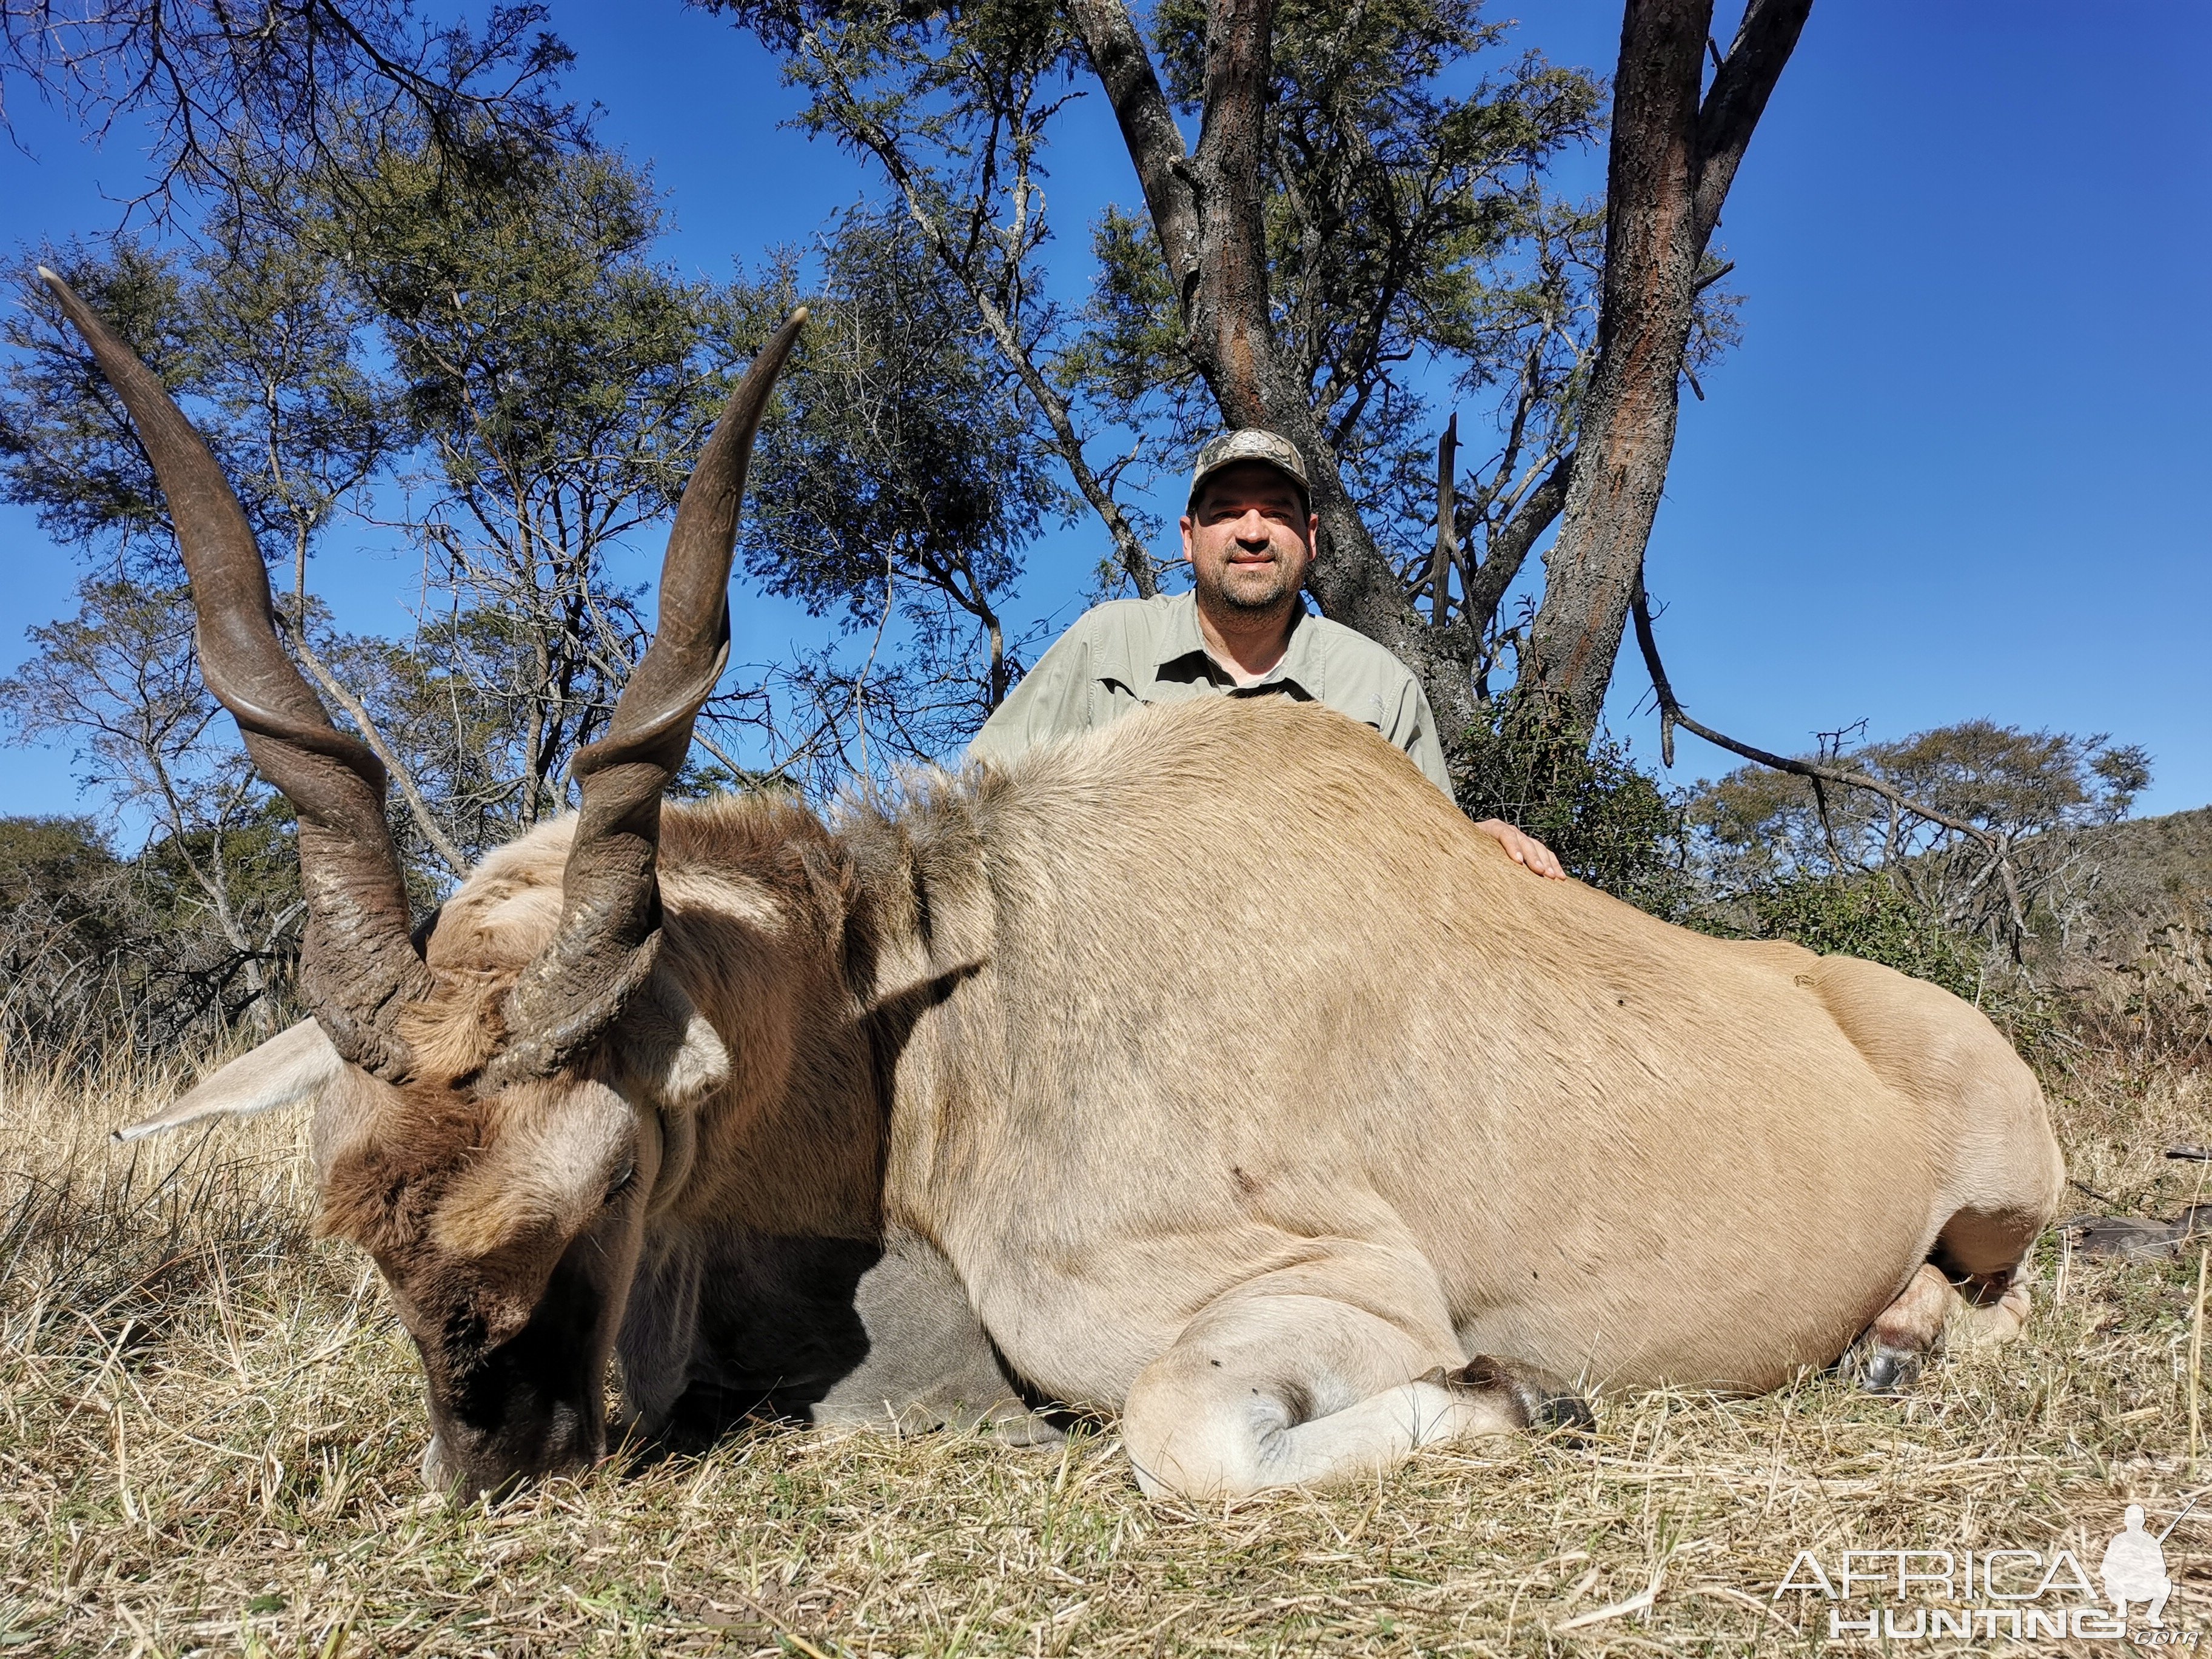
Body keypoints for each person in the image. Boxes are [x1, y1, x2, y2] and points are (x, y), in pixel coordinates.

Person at [970, 427, 1565, 879]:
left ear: (1309, 538)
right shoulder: (1107, 645)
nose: (1252, 532)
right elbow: (977, 807)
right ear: (1188, 537)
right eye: (1227, 512)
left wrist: (1474, 840)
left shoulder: (1381, 686)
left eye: (1275, 515)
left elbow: (1433, 861)